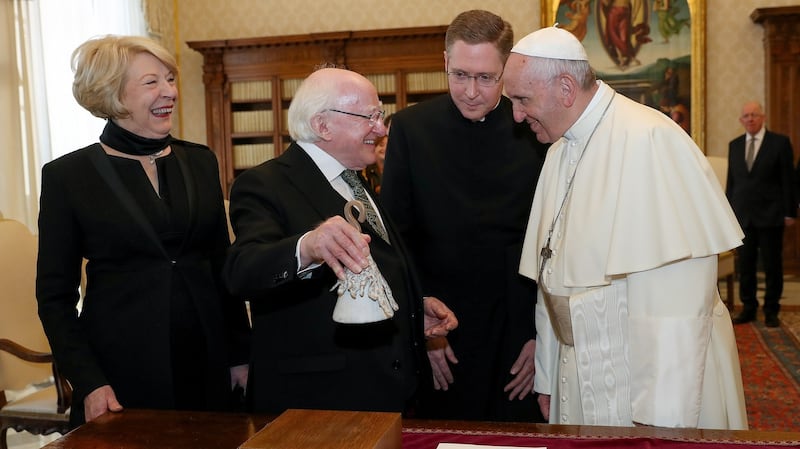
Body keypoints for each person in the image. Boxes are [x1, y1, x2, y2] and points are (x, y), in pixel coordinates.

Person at [503, 26, 748, 429]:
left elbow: (678, 309)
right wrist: (547, 376)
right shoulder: (560, 149)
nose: (515, 115)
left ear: (565, 88)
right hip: (578, 372)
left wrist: (661, 422)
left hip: (643, 390)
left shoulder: (649, 141)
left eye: (522, 99)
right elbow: (551, 281)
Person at [35, 35, 251, 427]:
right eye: (152, 82)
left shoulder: (200, 161)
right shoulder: (68, 177)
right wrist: (89, 381)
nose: (170, 91)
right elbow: (54, 298)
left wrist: (240, 354)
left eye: (170, 79)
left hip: (207, 365)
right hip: (121, 375)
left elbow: (224, 269)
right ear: (112, 93)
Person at [222, 67, 458, 415]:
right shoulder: (265, 183)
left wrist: (410, 308)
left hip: (387, 396)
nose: (380, 129)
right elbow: (242, 271)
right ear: (322, 125)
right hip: (318, 405)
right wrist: (309, 246)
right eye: (370, 117)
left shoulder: (359, 183)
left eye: (380, 116)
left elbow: (379, 265)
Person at [380, 9, 548, 422]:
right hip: (443, 323)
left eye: (486, 78)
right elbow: (396, 239)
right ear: (444, 62)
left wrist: (542, 335)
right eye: (459, 75)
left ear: (506, 70)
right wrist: (421, 327)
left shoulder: (535, 129)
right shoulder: (410, 128)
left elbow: (552, 240)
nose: (471, 91)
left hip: (517, 321)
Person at [727, 101, 796, 328]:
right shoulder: (735, 145)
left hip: (771, 215)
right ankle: (748, 307)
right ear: (741, 120)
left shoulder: (779, 143)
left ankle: (771, 310)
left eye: (754, 115)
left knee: (772, 265)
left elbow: (788, 180)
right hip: (743, 216)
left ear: (763, 117)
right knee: (745, 266)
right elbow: (732, 183)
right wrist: (728, 213)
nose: (750, 119)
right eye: (745, 116)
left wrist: (790, 211)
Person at [363, 113, 393, 194]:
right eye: (381, 145)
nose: (384, 148)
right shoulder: (366, 168)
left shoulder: (396, 166)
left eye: (388, 146)